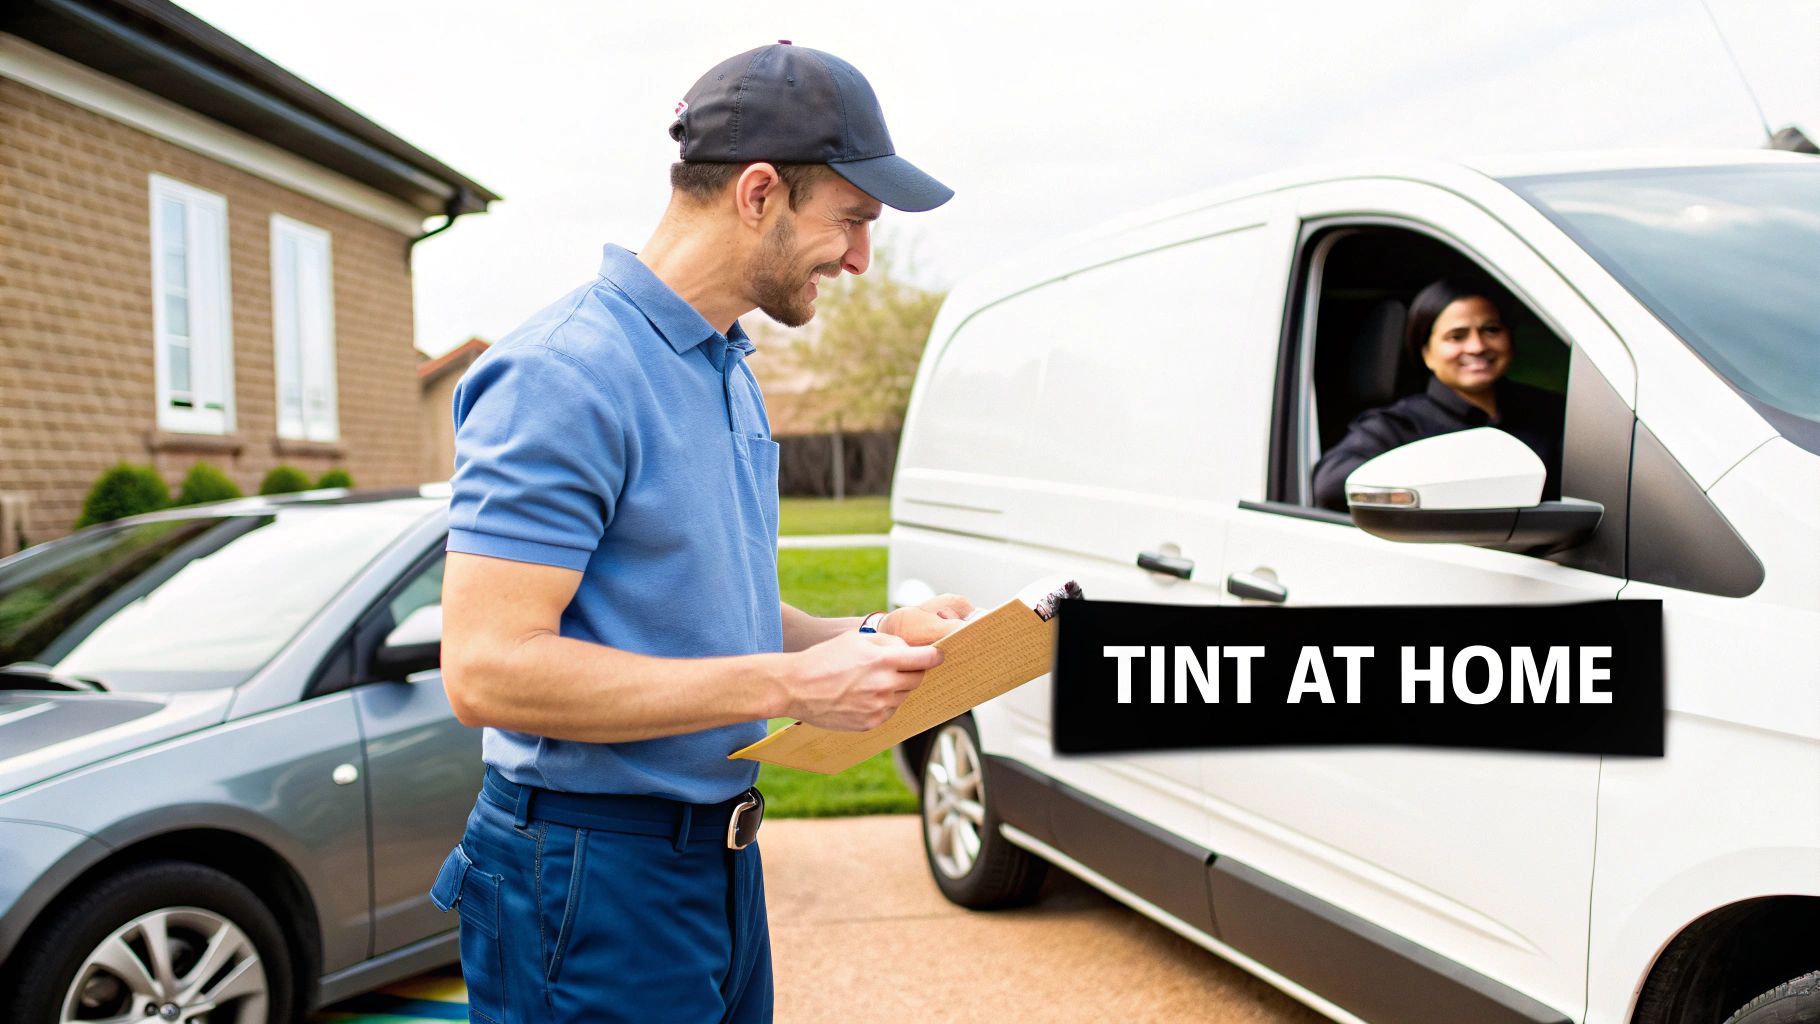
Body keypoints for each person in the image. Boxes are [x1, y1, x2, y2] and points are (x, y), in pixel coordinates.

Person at [431, 43, 964, 1023]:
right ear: (759, 192)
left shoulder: (722, 367)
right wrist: (792, 685)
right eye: (850, 221)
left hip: (709, 863)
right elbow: (486, 669)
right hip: (586, 874)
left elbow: (709, 606)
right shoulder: (564, 374)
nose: (857, 258)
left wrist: (867, 635)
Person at [1311, 277, 1565, 512]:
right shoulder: (1397, 426)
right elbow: (1330, 486)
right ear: (1426, 353)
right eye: (1457, 336)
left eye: (1491, 330)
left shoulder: (1554, 411)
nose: (1477, 346)